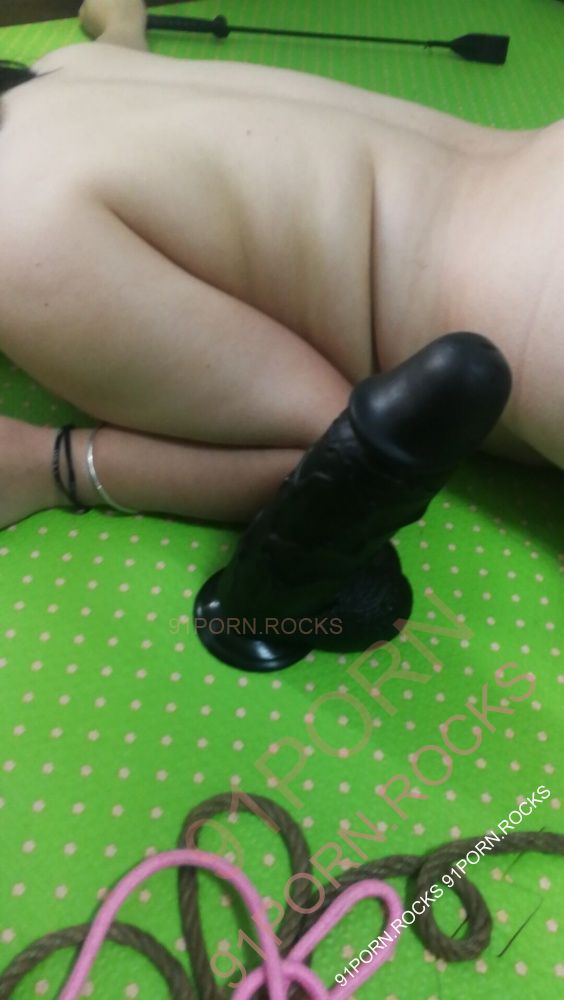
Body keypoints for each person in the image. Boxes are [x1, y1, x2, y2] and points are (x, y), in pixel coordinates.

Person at [0, 0, 561, 532]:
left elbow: (339, 454)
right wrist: (123, 24)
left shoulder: (20, 232)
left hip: (531, 296)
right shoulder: (65, 66)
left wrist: (55, 465)